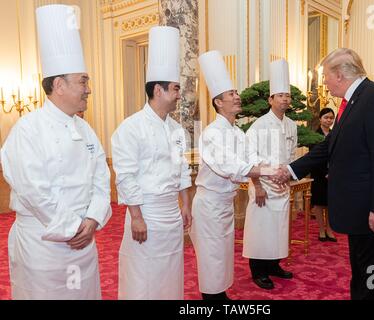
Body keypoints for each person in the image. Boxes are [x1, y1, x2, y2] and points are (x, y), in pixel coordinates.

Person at [275, 48, 374, 300]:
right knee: (363, 271)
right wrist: (290, 169)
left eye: (326, 78)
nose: (325, 84)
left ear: (340, 74)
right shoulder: (354, 101)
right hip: (361, 211)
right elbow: (329, 146)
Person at [0, 4, 112, 299]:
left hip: (83, 243)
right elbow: (35, 191)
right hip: (44, 247)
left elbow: (102, 178)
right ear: (59, 85)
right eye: (83, 81)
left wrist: (93, 220)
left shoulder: (85, 129)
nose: (89, 89)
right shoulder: (28, 129)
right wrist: (76, 226)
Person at [190, 50, 281, 300]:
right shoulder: (212, 134)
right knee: (211, 255)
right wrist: (272, 172)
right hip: (209, 204)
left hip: (225, 204)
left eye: (236, 93)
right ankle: (212, 299)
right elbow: (232, 167)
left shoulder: (238, 133)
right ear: (219, 102)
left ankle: (220, 295)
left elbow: (252, 160)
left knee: (222, 253)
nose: (238, 97)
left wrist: (275, 168)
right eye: (232, 94)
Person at [112, 26, 192, 300]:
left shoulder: (176, 129)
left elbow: (181, 168)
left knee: (170, 272)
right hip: (145, 211)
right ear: (158, 90)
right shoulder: (131, 128)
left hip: (171, 213)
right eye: (176, 89)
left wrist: (186, 205)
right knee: (144, 273)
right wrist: (136, 217)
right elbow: (125, 176)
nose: (180, 94)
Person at [242, 59, 297, 290]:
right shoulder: (259, 126)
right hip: (263, 185)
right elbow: (250, 159)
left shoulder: (292, 125)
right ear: (270, 100)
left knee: (279, 228)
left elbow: (292, 155)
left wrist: (289, 177)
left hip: (282, 186)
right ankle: (258, 270)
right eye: (280, 95)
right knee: (261, 229)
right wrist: (260, 185)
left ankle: (274, 264)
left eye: (287, 95)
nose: (285, 99)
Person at [309, 107, 337, 242]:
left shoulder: (335, 134)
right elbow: (313, 157)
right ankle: (321, 229)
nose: (329, 120)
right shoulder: (315, 135)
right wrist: (325, 173)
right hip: (318, 174)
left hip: (333, 174)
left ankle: (330, 229)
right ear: (320, 119)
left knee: (331, 203)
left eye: (331, 118)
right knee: (319, 203)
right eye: (326, 117)